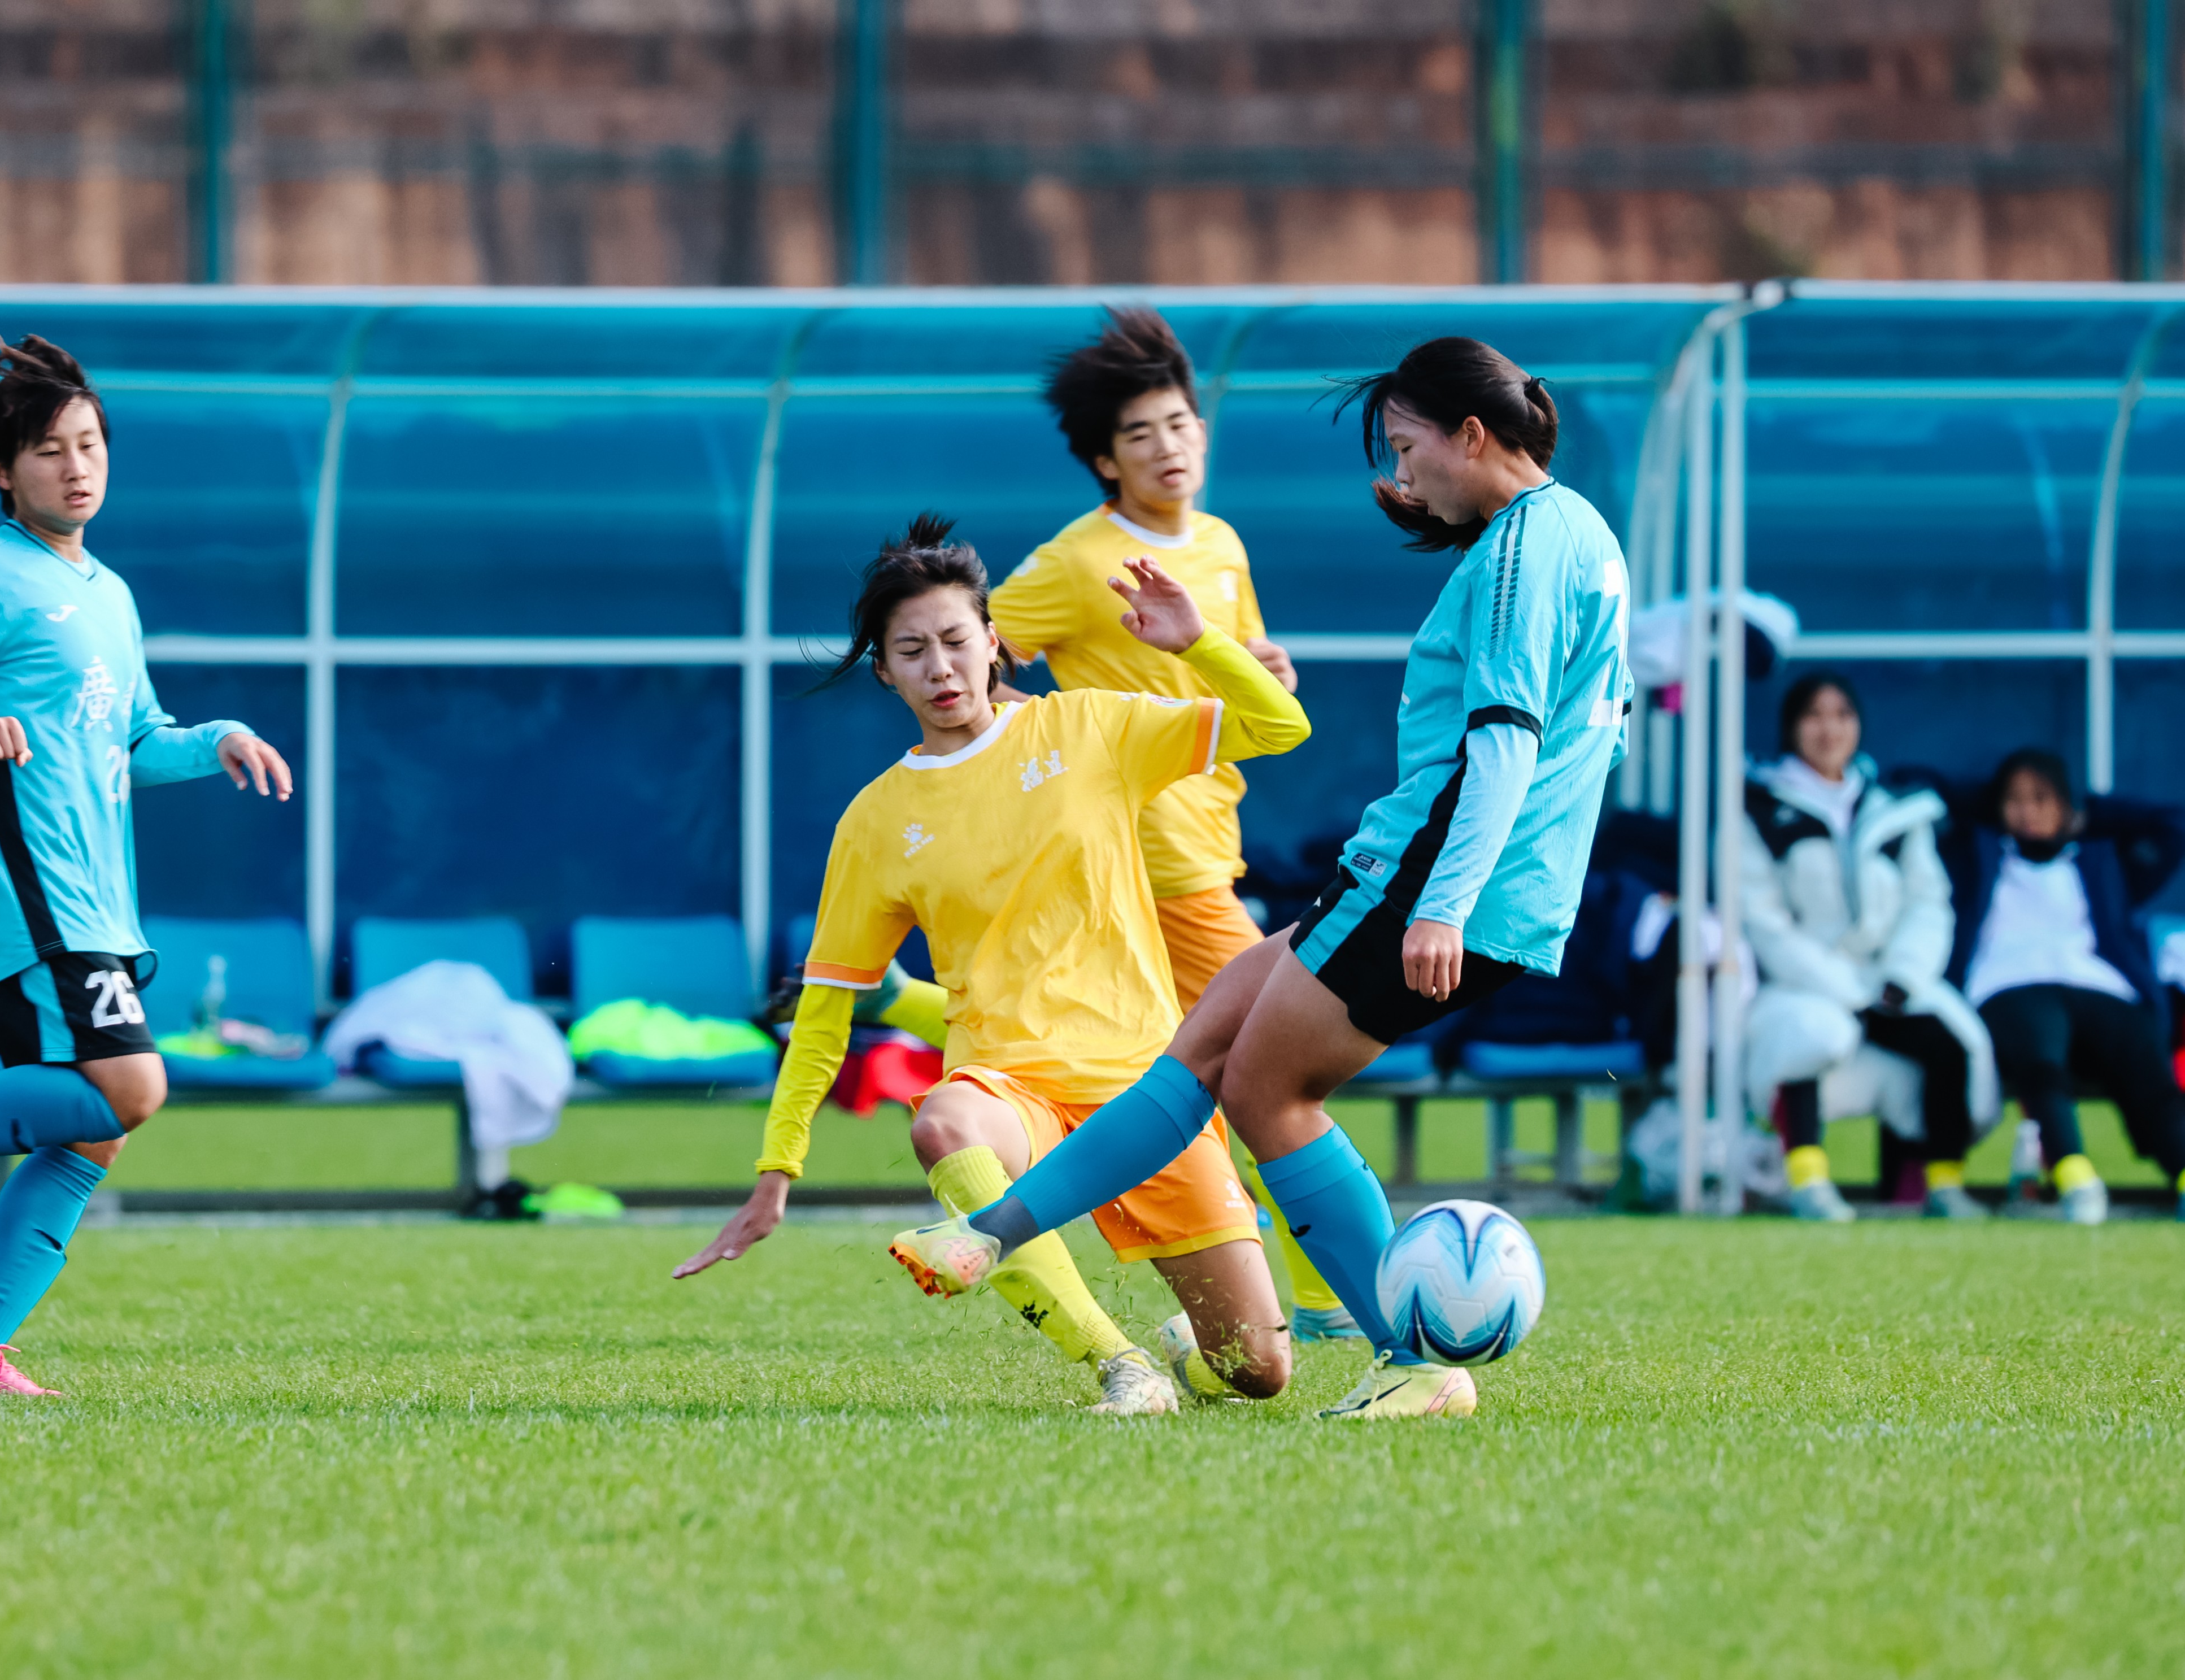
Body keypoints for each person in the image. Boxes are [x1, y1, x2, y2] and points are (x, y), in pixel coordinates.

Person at [892, 336, 1632, 1422]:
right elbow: (1593, 746)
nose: (1400, 469)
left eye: (1407, 443)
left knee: (1265, 1089)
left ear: (1473, 435)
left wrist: (1445, 900)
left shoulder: (1526, 545)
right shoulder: (1575, 534)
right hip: (1438, 869)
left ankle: (1414, 1352)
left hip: (1433, 874)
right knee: (1208, 1037)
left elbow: (1508, 738)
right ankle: (987, 1234)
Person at [673, 516, 1312, 1416]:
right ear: (885, 672)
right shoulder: (877, 818)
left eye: (955, 640)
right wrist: (778, 1170)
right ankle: (1121, 1363)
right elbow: (825, 1007)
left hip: (1147, 1089)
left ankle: (1187, 1354)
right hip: (1013, 1085)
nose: (940, 667)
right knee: (945, 1121)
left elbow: (1280, 725)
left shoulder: (1091, 727)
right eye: (912, 651)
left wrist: (1198, 639)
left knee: (1258, 1371)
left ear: (993, 642)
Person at [0, 336, 294, 1396]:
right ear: (3, 469)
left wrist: (212, 740)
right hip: (27, 901)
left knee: (96, 1129)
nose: (76, 467)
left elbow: (132, 739)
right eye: (49, 451)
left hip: (100, 904)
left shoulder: (109, 594)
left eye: (89, 445)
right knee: (130, 1087)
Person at [864, 304, 1360, 1343]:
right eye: (1139, 434)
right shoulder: (1076, 560)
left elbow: (1252, 670)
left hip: (1209, 840)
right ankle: (1319, 1301)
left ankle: (919, 1016)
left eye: (1179, 424)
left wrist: (1261, 667)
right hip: (1146, 862)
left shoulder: (1220, 543)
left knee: (1207, 1071)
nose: (1167, 447)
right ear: (1102, 459)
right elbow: (978, 641)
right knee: (1271, 1065)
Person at [1741, 673, 1997, 1224]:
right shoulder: (1758, 807)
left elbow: (1928, 902)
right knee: (1812, 1036)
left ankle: (1942, 1183)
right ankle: (1807, 1179)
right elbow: (1763, 920)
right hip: (1802, 980)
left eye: (1842, 714)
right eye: (1814, 714)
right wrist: (1839, 985)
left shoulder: (1897, 810)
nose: (1829, 728)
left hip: (1887, 979)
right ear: (1792, 726)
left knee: (1956, 1044)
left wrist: (1903, 974)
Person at [1949, 748, 2185, 1223]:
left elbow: (2173, 824)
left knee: (2142, 1056)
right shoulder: (1979, 855)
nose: (2028, 811)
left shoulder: (2101, 862)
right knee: (2041, 1044)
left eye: (2042, 798)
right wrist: (1987, 802)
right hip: (2010, 984)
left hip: (2093, 982)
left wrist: (2087, 812)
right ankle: (2077, 1179)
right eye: (2014, 800)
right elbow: (1925, 787)